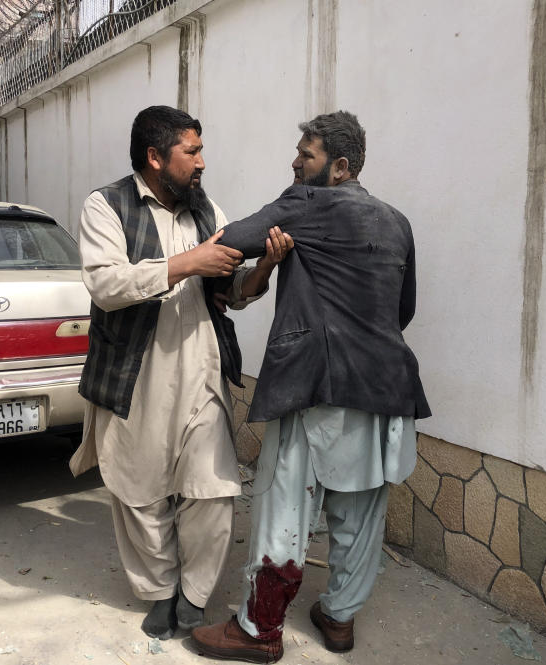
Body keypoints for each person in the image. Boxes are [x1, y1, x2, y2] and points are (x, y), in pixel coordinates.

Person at [191, 110, 431, 663]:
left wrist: (201, 259)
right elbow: (404, 309)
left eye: (307, 155)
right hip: (387, 385)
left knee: (285, 505)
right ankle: (340, 619)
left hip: (317, 384)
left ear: (340, 167)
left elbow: (231, 241)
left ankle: (259, 630)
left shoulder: (305, 203)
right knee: (361, 513)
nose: (295, 163)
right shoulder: (397, 221)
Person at [70, 105, 293, 640]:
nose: (201, 163)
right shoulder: (106, 206)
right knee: (139, 490)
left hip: (201, 369)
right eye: (191, 152)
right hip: (135, 375)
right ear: (155, 157)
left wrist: (261, 268)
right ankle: (161, 591)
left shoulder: (206, 210)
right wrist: (186, 263)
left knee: (212, 490)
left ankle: (193, 594)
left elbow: (228, 292)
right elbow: (106, 284)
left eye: (200, 151)